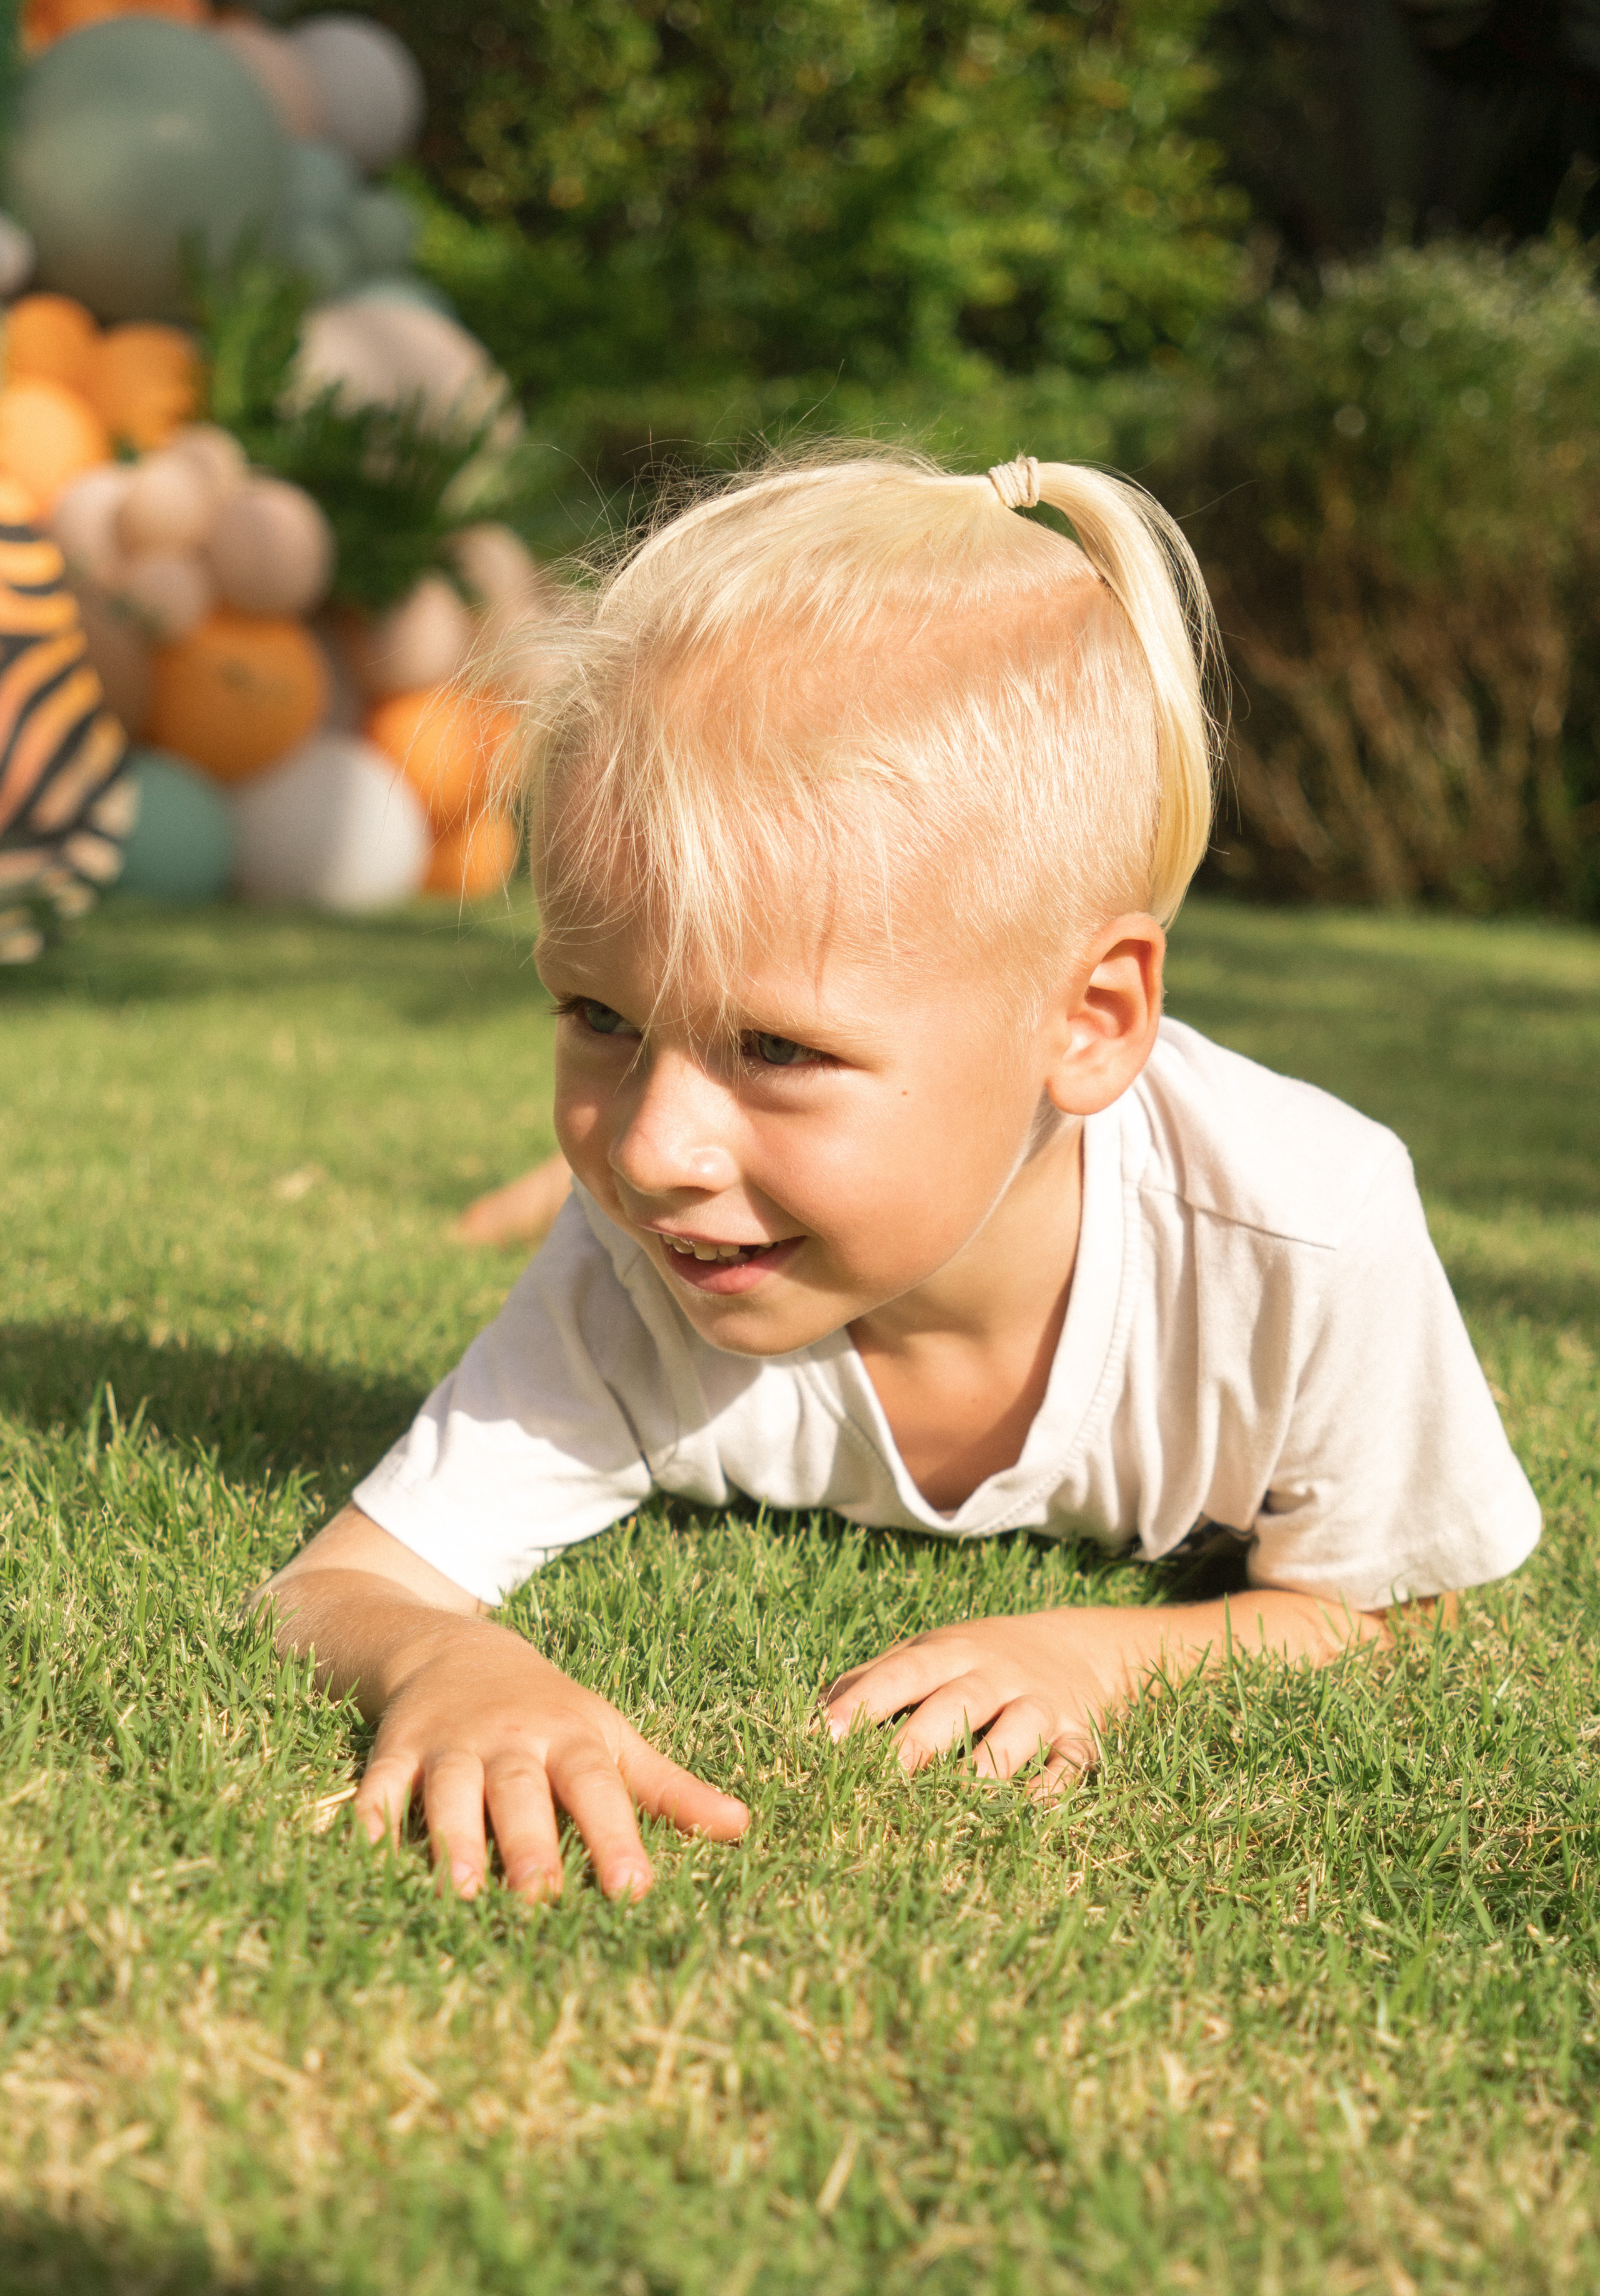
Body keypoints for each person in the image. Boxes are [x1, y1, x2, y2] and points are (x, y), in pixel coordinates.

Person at [263, 448, 1541, 1905]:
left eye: (777, 1049)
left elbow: (1394, 1603)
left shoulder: (1304, 1232)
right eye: (599, 1019)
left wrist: (1097, 1651)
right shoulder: (642, 1252)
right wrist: (452, 1665)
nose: (647, 1151)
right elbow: (346, 1581)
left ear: (1088, 1022)